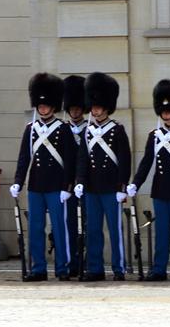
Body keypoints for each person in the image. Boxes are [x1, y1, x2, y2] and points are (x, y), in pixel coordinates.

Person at [128, 80, 170, 282]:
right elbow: (147, 162)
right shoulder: (155, 136)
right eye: (164, 110)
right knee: (161, 234)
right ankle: (159, 268)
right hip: (160, 191)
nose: (166, 113)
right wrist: (136, 183)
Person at [10, 73, 75, 282]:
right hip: (36, 185)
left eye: (47, 105)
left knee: (59, 227)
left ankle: (62, 267)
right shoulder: (31, 129)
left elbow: (69, 161)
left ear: (53, 106)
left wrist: (67, 186)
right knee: (36, 228)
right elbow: (24, 158)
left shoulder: (63, 129)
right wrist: (18, 182)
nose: (43, 108)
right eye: (41, 105)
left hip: (57, 186)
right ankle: (38, 268)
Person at [73, 72, 130, 281]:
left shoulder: (117, 130)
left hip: (111, 188)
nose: (95, 110)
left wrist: (122, 187)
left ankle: (119, 268)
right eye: (93, 107)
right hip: (92, 188)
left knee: (115, 231)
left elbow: (125, 160)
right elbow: (82, 159)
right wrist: (79, 181)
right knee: (94, 231)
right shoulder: (87, 132)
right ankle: (95, 268)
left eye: (98, 107)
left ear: (106, 107)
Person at [61, 74, 87, 276]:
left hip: (89, 183)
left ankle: (85, 261)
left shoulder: (90, 130)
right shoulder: (62, 130)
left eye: (78, 108)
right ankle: (72, 261)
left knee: (86, 225)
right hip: (67, 185)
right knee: (69, 225)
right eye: (72, 108)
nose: (75, 111)